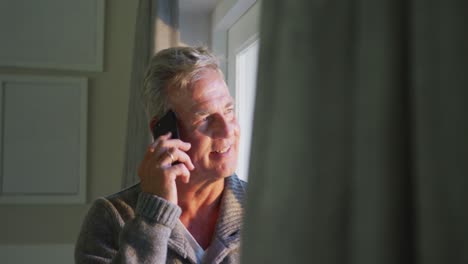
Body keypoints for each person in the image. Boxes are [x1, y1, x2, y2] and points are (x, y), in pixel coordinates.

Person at [75, 46, 246, 263]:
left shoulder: (268, 212)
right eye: (205, 118)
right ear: (164, 131)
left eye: (229, 111)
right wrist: (154, 215)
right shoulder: (112, 218)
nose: (228, 130)